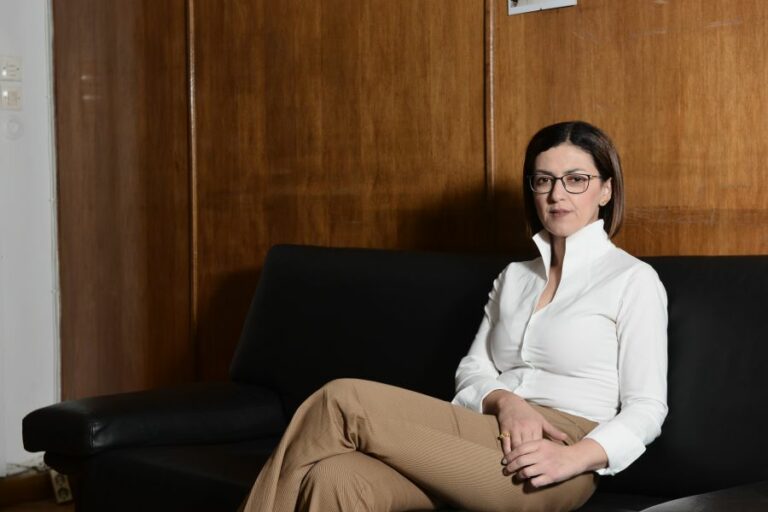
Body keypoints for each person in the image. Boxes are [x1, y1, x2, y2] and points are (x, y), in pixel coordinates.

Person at [241, 121, 668, 512]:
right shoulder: (515, 277)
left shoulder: (631, 280)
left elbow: (647, 407)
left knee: (341, 401)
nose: (557, 195)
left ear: (605, 191)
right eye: (544, 180)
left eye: (576, 180)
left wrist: (573, 457)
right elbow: (473, 369)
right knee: (335, 476)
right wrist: (507, 402)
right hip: (485, 428)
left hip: (559, 449)